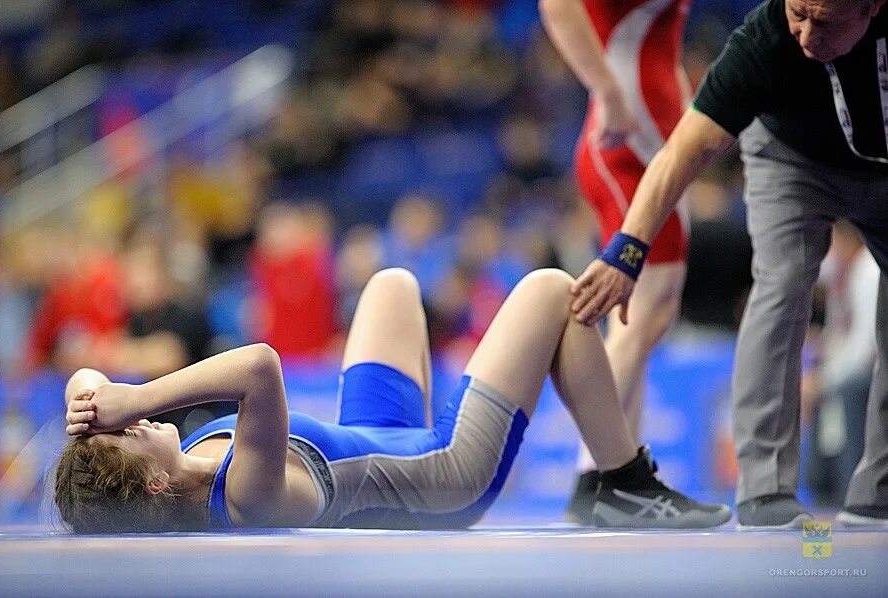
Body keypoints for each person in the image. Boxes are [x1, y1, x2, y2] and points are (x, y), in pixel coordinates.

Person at [55, 268, 731, 532]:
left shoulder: (174, 470)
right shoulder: (245, 496)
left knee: (392, 286)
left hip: (372, 435)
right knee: (555, 293)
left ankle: (616, 482)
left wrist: (96, 399)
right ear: (148, 478)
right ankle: (621, 482)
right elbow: (260, 367)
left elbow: (85, 381)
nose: (136, 416)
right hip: (444, 475)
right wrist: (135, 393)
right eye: (130, 429)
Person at [568, 0, 888, 528]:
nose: (805, 35)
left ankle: (880, 490)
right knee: (782, 284)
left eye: (824, 22)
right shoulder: (765, 41)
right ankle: (765, 488)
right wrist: (626, 254)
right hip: (792, 158)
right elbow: (679, 155)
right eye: (797, 13)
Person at [539, 0, 695, 523]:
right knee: (637, 317)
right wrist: (606, 89)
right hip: (629, 142)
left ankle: (622, 477)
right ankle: (599, 479)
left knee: (647, 319)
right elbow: (557, 5)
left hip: (654, 141)